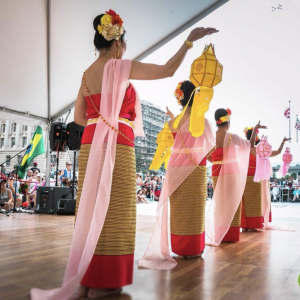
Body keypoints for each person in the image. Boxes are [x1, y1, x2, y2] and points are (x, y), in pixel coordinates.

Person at [30, 9, 217, 299]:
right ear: (118, 43)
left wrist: (101, 117)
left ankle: (87, 277)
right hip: (118, 140)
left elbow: (79, 117)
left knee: (91, 209)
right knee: (116, 211)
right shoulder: (119, 67)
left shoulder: (86, 75)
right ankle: (105, 282)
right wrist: (189, 41)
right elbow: (167, 70)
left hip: (92, 140)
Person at [140, 80, 215, 270]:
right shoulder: (203, 121)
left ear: (179, 99)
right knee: (194, 209)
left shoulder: (172, 122)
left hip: (175, 168)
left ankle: (180, 248)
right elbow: (211, 149)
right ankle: (194, 248)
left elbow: (179, 132)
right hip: (195, 168)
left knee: (179, 210)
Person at [207, 109, 261, 243]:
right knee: (233, 201)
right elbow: (250, 145)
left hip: (216, 170)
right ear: (227, 122)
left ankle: (220, 232)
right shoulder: (231, 136)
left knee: (220, 203)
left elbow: (207, 155)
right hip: (231, 172)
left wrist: (217, 161)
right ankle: (230, 234)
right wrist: (254, 130)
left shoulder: (211, 137)